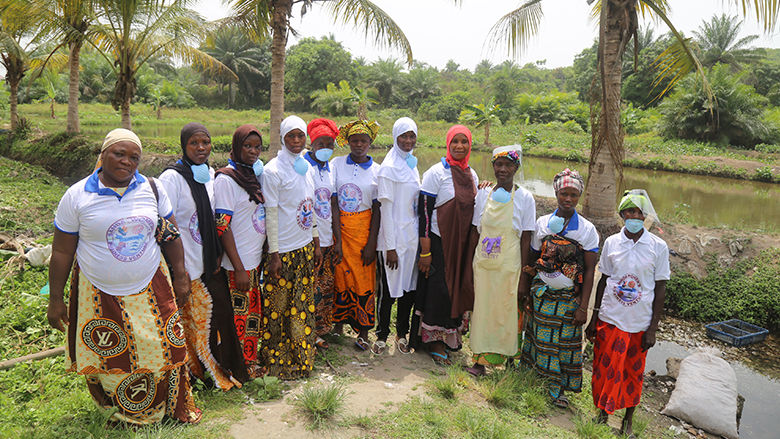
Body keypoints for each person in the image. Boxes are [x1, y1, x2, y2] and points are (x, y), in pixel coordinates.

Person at [47, 128, 201, 425]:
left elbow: (170, 236)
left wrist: (181, 276)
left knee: (165, 346)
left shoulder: (153, 189)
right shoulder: (77, 196)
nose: (127, 162)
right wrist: (55, 299)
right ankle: (127, 412)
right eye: (119, 153)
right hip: (97, 290)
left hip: (150, 286)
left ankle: (169, 408)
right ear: (102, 155)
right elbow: (62, 252)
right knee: (111, 356)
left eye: (134, 157)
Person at [158, 123, 249, 389]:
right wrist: (179, 272)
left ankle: (223, 368)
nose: (201, 148)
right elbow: (167, 226)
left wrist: (217, 253)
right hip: (187, 266)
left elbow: (214, 219)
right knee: (194, 323)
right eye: (194, 143)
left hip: (210, 261)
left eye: (205, 143)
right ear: (183, 146)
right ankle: (198, 374)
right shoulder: (172, 179)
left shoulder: (208, 174)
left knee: (219, 316)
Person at [587, 190, 669, 438]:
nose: (633, 216)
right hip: (610, 318)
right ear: (622, 215)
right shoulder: (612, 242)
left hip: (638, 323)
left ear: (645, 216)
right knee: (603, 367)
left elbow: (661, 287)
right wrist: (594, 317)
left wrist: (652, 328)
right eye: (629, 212)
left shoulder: (658, 247)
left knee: (632, 373)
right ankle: (602, 414)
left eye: (638, 212)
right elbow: (603, 281)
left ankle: (628, 422)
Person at [520, 168, 599, 408]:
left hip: (568, 299)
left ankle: (558, 388)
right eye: (564, 193)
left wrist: (583, 307)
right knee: (539, 340)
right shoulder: (543, 223)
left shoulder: (586, 230)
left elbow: (588, 271)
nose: (568, 199)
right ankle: (536, 380)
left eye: (573, 195)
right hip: (542, 296)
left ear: (579, 197)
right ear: (556, 193)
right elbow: (532, 258)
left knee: (563, 344)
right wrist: (524, 289)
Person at [260, 115, 321, 380]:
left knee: (302, 306)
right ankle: (276, 359)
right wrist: (274, 254)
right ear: (283, 138)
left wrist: (316, 239)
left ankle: (301, 358)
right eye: (291, 136)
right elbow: (271, 213)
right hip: (282, 251)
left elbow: (310, 205)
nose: (297, 141)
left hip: (305, 248)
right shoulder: (273, 171)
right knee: (278, 309)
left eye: (300, 136)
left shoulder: (305, 167)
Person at [466, 146, 536, 376]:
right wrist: (469, 267)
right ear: (493, 167)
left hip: (510, 265)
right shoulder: (484, 194)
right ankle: (479, 361)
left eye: (508, 165)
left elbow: (527, 238)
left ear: (516, 168)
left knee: (508, 311)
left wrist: (525, 277)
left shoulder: (525, 198)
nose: (503, 169)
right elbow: (476, 232)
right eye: (499, 164)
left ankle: (509, 362)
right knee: (483, 311)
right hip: (484, 265)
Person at [415, 125, 479, 366]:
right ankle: (434, 341)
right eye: (455, 142)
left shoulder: (472, 175)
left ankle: (451, 337)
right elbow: (424, 214)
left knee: (456, 289)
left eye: (464, 142)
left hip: (462, 245)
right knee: (439, 291)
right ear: (448, 144)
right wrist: (426, 251)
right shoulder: (435, 173)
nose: (460, 146)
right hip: (439, 244)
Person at [214, 125, 266, 378]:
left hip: (254, 260)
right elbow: (222, 227)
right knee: (239, 319)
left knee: (251, 317)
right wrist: (238, 267)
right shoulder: (226, 179)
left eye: (257, 147)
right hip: (239, 265)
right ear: (236, 147)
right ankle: (238, 367)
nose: (254, 151)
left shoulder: (252, 175)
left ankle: (249, 361)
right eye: (248, 146)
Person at [331, 119, 382, 351]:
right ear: (348, 142)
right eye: (354, 140)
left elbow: (378, 209)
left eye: (363, 140)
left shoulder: (377, 171)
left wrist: (372, 243)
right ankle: (338, 324)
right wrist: (336, 240)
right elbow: (332, 200)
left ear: (370, 142)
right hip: (340, 229)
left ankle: (363, 331)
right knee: (340, 275)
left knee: (363, 279)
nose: (359, 144)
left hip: (363, 231)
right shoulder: (336, 164)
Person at [373, 117, 421, 355]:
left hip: (411, 240)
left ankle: (401, 334)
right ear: (395, 137)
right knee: (388, 290)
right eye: (404, 136)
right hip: (392, 241)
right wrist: (390, 247)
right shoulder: (388, 168)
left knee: (408, 290)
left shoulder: (412, 164)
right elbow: (386, 211)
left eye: (412, 136)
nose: (408, 141)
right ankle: (381, 335)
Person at [303, 118, 340, 350]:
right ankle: (306, 331)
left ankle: (319, 329)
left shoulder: (329, 169)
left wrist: (337, 239)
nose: (325, 147)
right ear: (312, 143)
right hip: (308, 238)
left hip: (327, 238)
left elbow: (333, 205)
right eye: (320, 143)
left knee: (323, 286)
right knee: (308, 286)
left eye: (330, 143)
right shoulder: (304, 167)